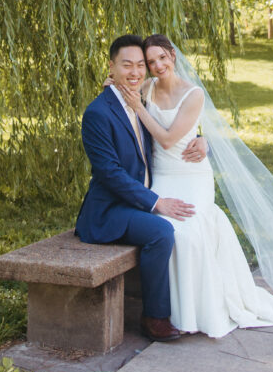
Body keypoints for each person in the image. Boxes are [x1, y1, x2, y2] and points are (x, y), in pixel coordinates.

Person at [117, 33, 273, 337]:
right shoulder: (147, 87)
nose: (157, 65)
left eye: (162, 58)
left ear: (173, 56)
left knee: (189, 232)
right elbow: (122, 83)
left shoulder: (193, 95)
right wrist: (115, 85)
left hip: (192, 175)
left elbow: (166, 140)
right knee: (167, 230)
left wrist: (199, 139)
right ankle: (171, 311)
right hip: (162, 177)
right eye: (151, 62)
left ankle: (195, 311)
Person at [75, 34, 208, 342]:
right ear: (111, 66)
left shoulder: (142, 98)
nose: (135, 72)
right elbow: (109, 173)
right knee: (161, 232)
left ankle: (189, 305)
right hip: (110, 209)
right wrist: (155, 202)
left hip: (141, 197)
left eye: (140, 66)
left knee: (184, 227)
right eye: (127, 65)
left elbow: (169, 131)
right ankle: (154, 317)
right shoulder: (98, 112)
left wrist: (203, 141)